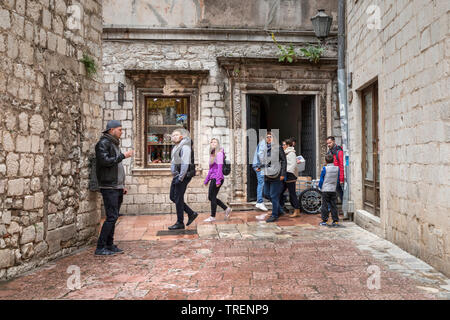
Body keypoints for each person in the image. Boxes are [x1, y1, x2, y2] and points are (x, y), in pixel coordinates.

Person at [94, 120, 133, 256]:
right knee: (111, 216)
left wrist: (122, 185)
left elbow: (117, 167)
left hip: (116, 186)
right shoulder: (103, 143)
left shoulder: (113, 143)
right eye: (120, 129)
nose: (121, 132)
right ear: (111, 130)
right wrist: (123, 156)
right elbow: (105, 162)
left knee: (114, 216)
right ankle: (100, 247)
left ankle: (109, 245)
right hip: (109, 185)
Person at [168, 128, 198, 230]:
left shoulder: (185, 147)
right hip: (177, 176)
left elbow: (185, 164)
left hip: (183, 177)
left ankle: (180, 222)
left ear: (181, 137)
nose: (174, 136)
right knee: (173, 197)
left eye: (176, 135)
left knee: (178, 198)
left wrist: (180, 178)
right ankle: (191, 213)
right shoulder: (176, 147)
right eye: (173, 135)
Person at [260, 131, 287, 223]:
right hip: (267, 175)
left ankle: (274, 215)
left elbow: (284, 161)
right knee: (265, 193)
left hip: (276, 175)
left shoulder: (278, 148)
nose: (268, 138)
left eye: (270, 136)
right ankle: (279, 209)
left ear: (273, 138)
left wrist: (283, 174)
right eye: (267, 137)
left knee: (274, 195)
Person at [203, 138, 232, 222]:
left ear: (218, 144)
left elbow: (219, 168)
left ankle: (212, 216)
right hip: (213, 177)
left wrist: (218, 180)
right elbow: (211, 169)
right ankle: (226, 209)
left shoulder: (219, 154)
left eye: (215, 142)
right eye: (211, 142)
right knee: (211, 197)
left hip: (217, 178)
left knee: (212, 197)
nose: (213, 143)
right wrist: (206, 180)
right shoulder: (212, 154)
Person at [280, 139, 301, 218]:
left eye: (284, 145)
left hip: (290, 175)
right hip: (286, 175)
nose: (283, 146)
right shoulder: (286, 153)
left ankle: (297, 210)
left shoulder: (291, 153)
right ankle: (280, 208)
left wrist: (287, 172)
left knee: (292, 193)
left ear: (288, 145)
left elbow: (293, 165)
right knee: (280, 191)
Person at [318, 154, 340, 227]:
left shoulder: (325, 169)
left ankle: (324, 221)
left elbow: (321, 179)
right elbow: (337, 179)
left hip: (325, 189)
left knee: (325, 205)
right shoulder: (337, 168)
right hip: (333, 189)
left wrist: (320, 187)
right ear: (333, 160)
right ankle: (335, 221)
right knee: (333, 205)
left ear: (326, 161)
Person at [252, 137, 269, 213]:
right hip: (259, 166)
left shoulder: (263, 143)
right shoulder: (263, 143)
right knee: (261, 183)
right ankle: (259, 202)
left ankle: (261, 198)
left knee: (262, 182)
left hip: (258, 165)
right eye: (268, 137)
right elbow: (260, 154)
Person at [326, 136, 345, 202]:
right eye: (327, 143)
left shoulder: (339, 151)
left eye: (330, 143)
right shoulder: (329, 152)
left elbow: (341, 165)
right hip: (332, 176)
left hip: (338, 176)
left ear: (334, 142)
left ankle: (343, 206)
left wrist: (341, 179)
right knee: (337, 192)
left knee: (340, 192)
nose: (328, 145)